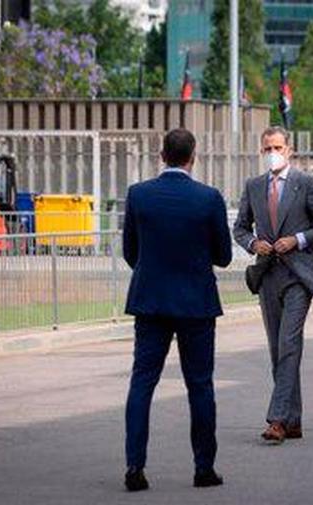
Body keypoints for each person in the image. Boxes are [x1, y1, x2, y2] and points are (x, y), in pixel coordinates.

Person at [122, 128, 232, 492]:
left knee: (142, 383)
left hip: (150, 302)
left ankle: (135, 467)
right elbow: (224, 256)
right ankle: (204, 468)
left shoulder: (139, 195)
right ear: (193, 156)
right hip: (196, 304)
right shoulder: (208, 198)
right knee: (200, 385)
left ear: (161, 155)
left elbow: (130, 252)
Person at [233, 126, 313, 444]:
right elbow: (240, 228)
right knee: (277, 349)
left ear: (289, 149)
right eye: (267, 148)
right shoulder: (253, 186)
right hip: (268, 275)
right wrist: (254, 244)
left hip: (298, 275)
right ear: (260, 151)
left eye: (277, 147)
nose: (273, 153)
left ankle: (277, 419)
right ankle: (293, 420)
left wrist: (298, 239)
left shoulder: (306, 183)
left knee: (289, 344)